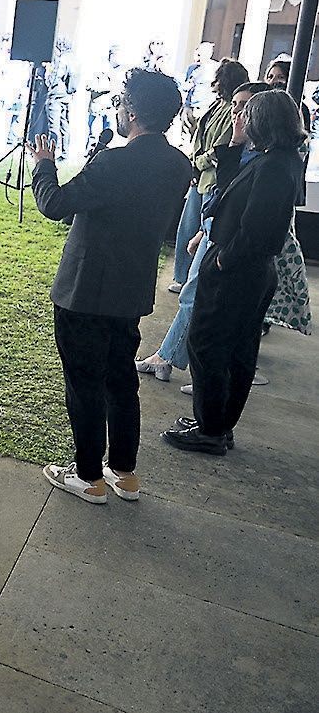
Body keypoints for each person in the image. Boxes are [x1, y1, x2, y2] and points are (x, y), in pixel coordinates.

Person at [29, 68, 191, 503]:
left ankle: (88, 476)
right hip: (131, 288)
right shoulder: (179, 165)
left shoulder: (115, 162)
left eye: (120, 102)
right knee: (120, 381)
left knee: (84, 383)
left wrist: (43, 165)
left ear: (132, 112)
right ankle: (123, 472)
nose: (116, 110)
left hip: (85, 290)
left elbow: (55, 204)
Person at [162, 90, 306, 455]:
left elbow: (257, 228)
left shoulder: (274, 166)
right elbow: (227, 195)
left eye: (246, 115)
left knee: (208, 344)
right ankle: (216, 423)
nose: (238, 119)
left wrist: (223, 260)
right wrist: (233, 146)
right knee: (233, 348)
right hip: (245, 268)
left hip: (238, 269)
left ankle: (211, 430)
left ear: (263, 122)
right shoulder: (278, 158)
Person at [136, 83, 267, 382]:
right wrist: (204, 231)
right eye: (235, 104)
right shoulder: (245, 151)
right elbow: (224, 196)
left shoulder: (261, 159)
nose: (235, 112)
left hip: (225, 243)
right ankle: (179, 362)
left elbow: (242, 208)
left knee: (196, 297)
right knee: (195, 296)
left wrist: (221, 252)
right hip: (215, 232)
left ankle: (175, 361)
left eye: (244, 107)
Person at [169, 59, 248, 292]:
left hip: (212, 179)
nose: (214, 81)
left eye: (218, 77)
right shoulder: (216, 105)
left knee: (205, 231)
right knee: (187, 228)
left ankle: (193, 281)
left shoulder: (231, 111)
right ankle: (181, 277)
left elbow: (222, 146)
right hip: (199, 177)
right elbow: (200, 138)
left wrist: (198, 164)